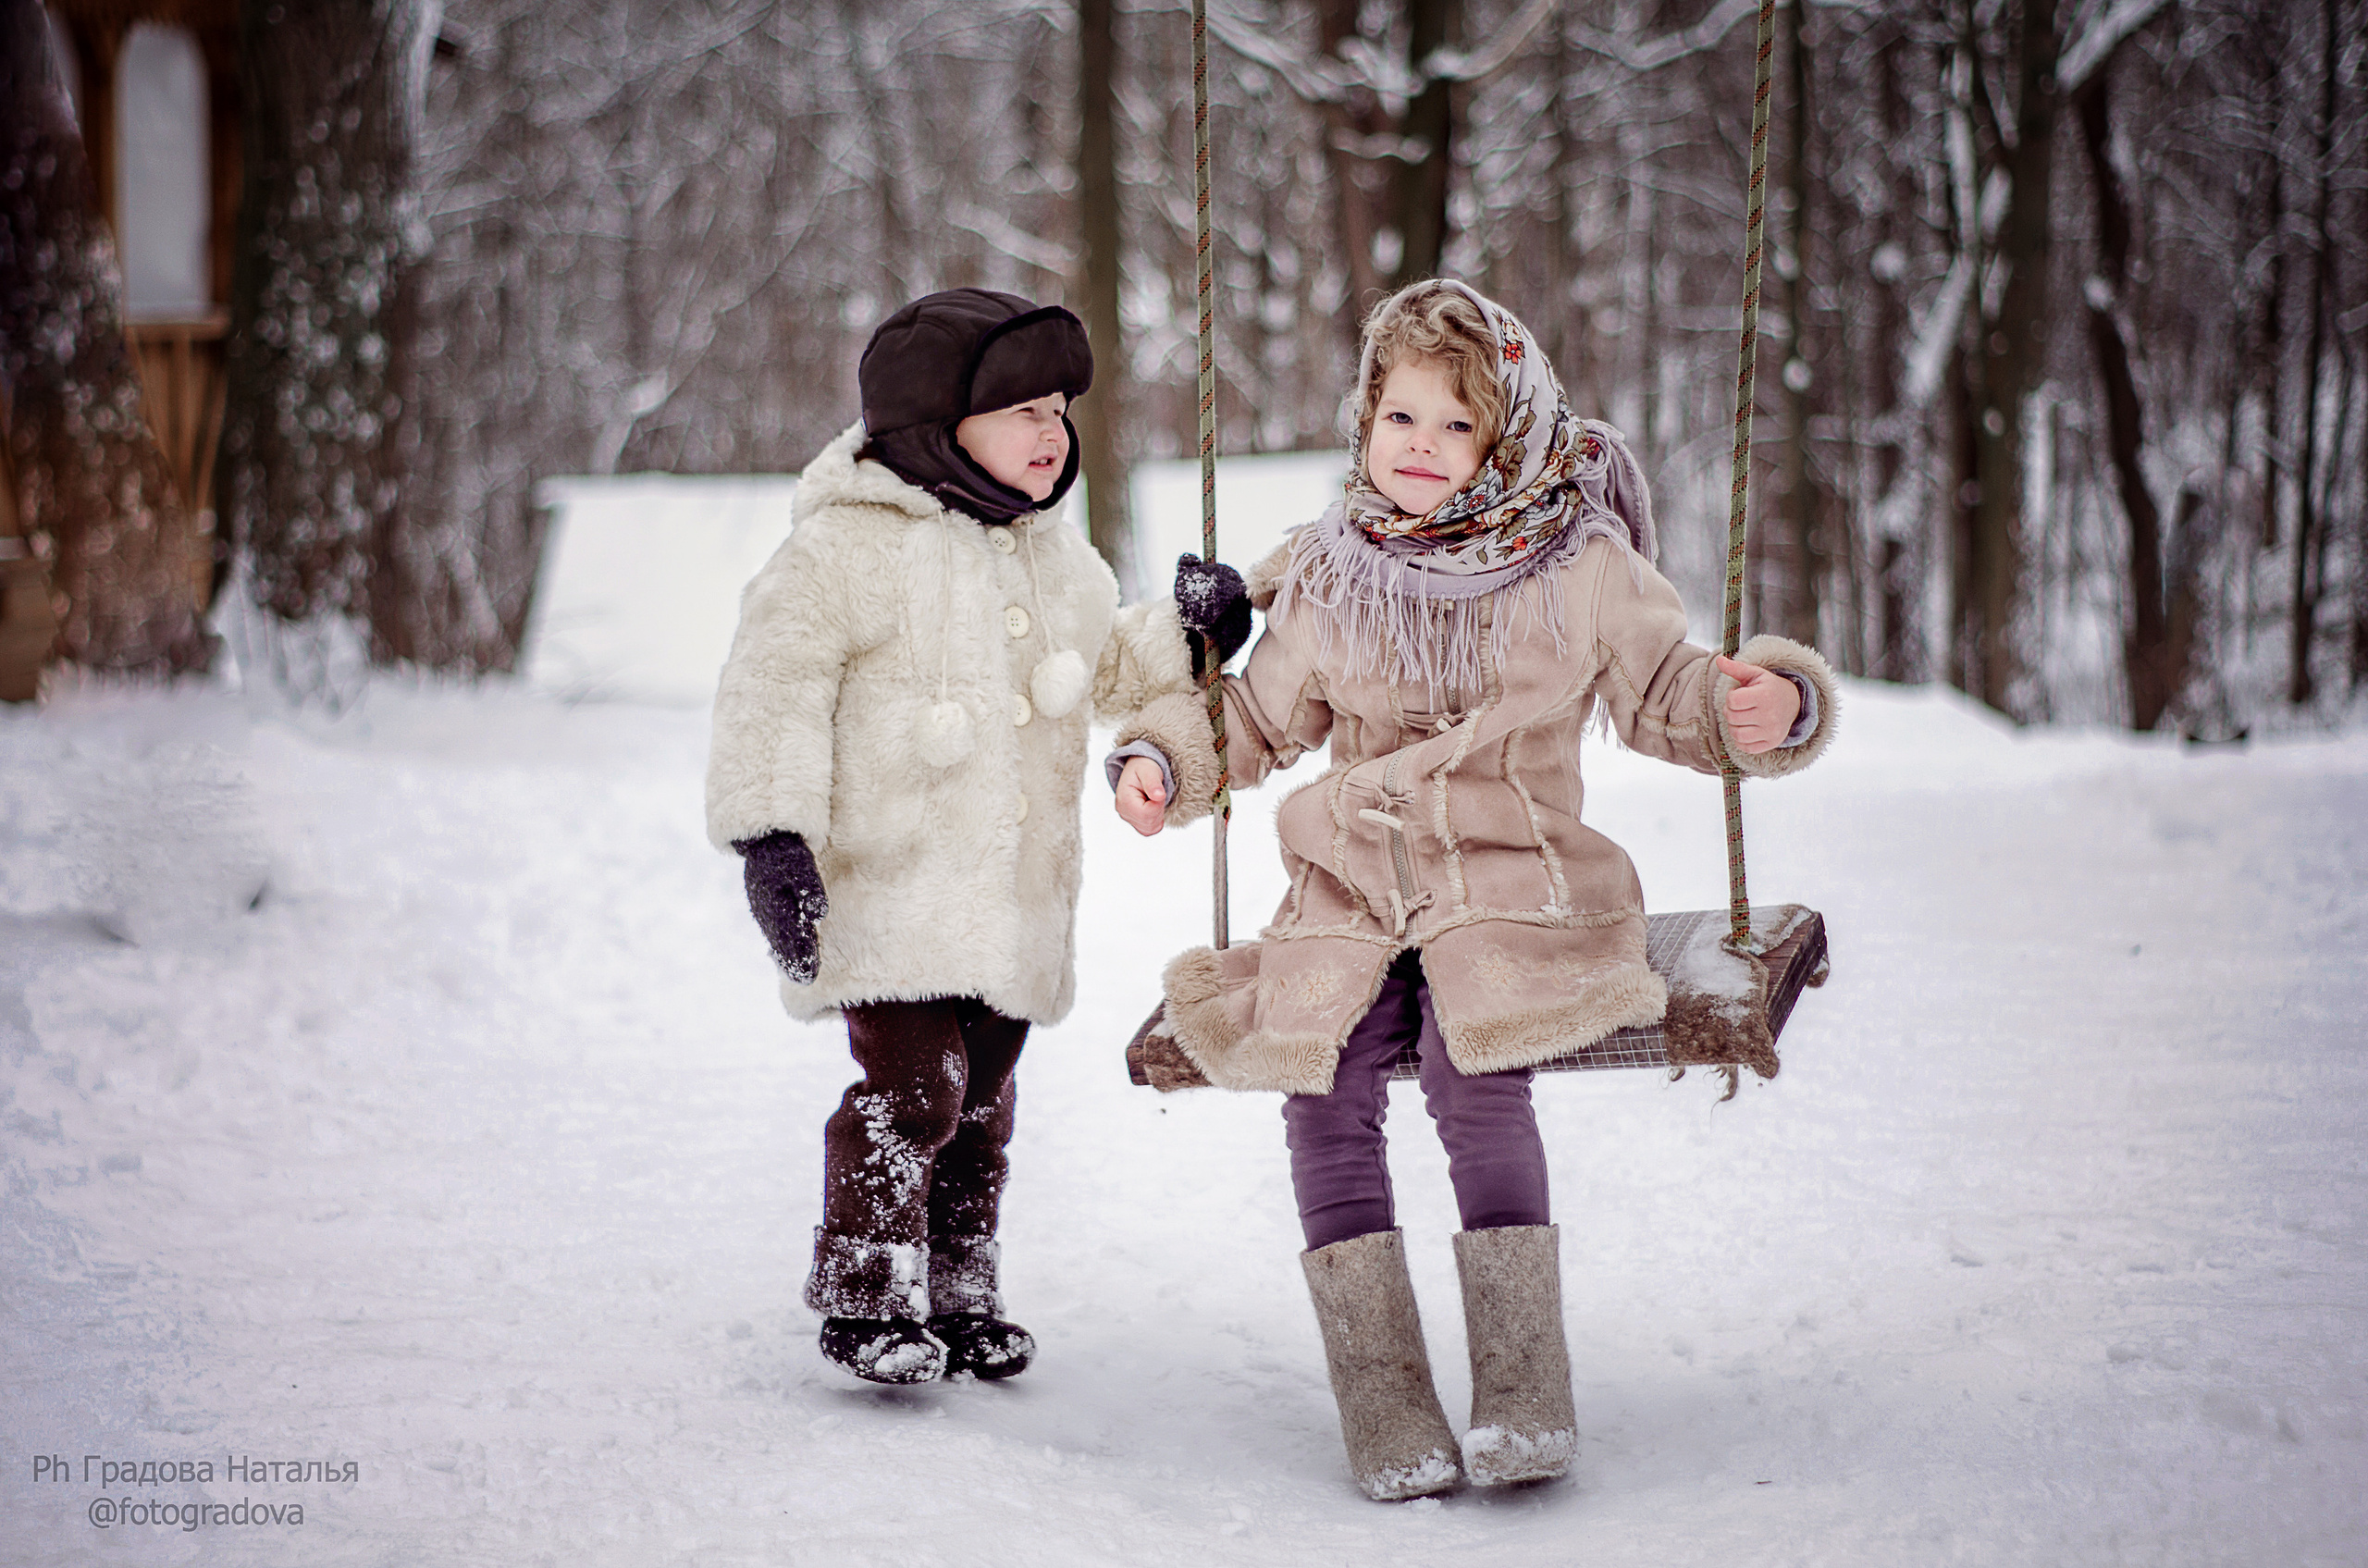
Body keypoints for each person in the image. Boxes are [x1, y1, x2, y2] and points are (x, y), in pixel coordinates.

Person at [1108, 279, 1837, 1498]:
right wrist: (1166, 756)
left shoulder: (1578, 563)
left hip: (1515, 883)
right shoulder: (1336, 570)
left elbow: (1671, 689)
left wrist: (1766, 700)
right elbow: (1255, 714)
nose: (1425, 450)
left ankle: (1520, 1389)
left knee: (1475, 1063)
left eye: (1459, 425)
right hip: (1352, 888)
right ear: (1366, 423)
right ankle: (1385, 1396)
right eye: (1402, 418)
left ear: (1508, 435)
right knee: (1322, 1077)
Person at [707, 288, 1243, 1386]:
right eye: (1022, 412)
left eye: (1059, 410)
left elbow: (1115, 667)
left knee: (983, 1104)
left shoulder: (1052, 555)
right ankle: (865, 1292)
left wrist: (1192, 632)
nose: (1052, 435)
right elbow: (771, 690)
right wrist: (771, 838)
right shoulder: (843, 551)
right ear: (934, 425)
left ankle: (959, 1286)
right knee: (914, 1094)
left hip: (1010, 898)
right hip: (886, 885)